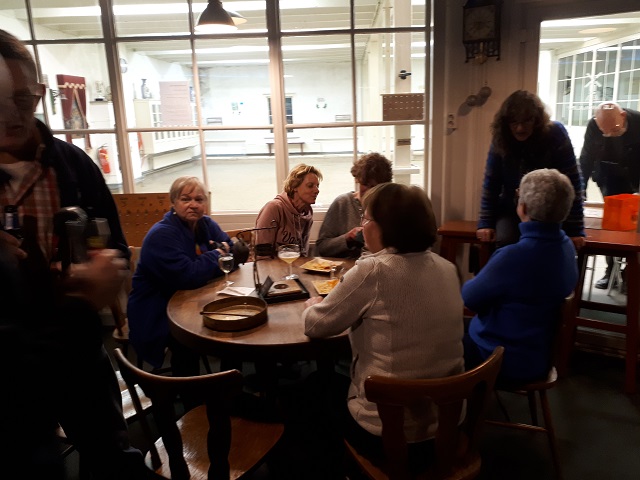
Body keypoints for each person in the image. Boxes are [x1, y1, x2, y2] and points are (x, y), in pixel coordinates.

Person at [0, 29, 145, 478]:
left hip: (78, 347)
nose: (11, 116)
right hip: (7, 369)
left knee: (111, 458)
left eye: (22, 99)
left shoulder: (74, 165)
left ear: (39, 94)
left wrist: (108, 271)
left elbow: (112, 243)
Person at [303, 183, 464, 468]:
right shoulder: (447, 268)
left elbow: (316, 326)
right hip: (449, 428)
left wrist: (312, 305)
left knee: (312, 389)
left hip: (391, 436)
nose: (362, 226)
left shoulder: (373, 270)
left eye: (365, 218)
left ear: (384, 228)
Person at [463, 169, 579, 383]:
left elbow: (469, 298)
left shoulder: (513, 256)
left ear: (522, 207)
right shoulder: (567, 247)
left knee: (443, 336)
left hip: (501, 359)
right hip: (538, 356)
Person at [128, 176, 231, 379]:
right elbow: (188, 276)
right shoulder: (161, 235)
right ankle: (188, 391)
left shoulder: (205, 224)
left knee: (232, 321)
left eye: (199, 199)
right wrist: (216, 254)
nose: (193, 205)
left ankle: (227, 384)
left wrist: (213, 259)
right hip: (157, 309)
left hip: (192, 299)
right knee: (189, 338)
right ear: (173, 203)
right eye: (186, 199)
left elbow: (234, 251)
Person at [476, 90, 586, 251]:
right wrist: (486, 222)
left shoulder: (555, 133)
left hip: (549, 212)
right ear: (506, 123)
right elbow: (491, 182)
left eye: (527, 121)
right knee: (506, 243)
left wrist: (576, 228)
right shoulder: (501, 138)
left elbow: (573, 182)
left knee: (551, 247)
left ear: (537, 120)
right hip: (512, 211)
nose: (520, 128)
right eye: (514, 122)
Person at [580, 101, 640, 289]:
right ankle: (611, 272)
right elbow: (586, 158)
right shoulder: (594, 125)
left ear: (623, 116)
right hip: (609, 176)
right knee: (612, 224)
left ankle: (630, 273)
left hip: (635, 175)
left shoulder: (638, 122)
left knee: (636, 226)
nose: (611, 135)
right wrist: (580, 190)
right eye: (605, 132)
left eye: (614, 130)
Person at [316, 152, 392, 258]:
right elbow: (322, 247)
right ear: (358, 180)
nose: (369, 191)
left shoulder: (391, 207)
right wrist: (347, 238)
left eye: (373, 186)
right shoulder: (342, 203)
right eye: (365, 185)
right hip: (347, 266)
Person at [255, 163, 322, 256]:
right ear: (294, 186)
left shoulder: (307, 213)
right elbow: (262, 255)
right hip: (272, 264)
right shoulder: (273, 208)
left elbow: (303, 253)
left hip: (296, 264)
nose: (317, 190)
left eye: (317, 186)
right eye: (310, 185)